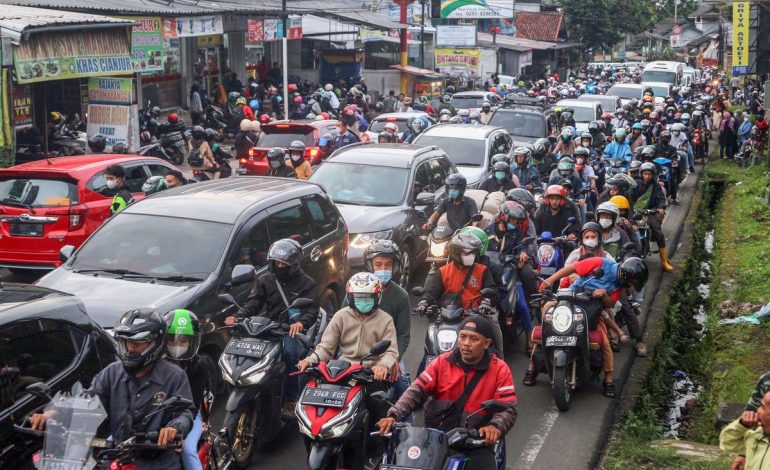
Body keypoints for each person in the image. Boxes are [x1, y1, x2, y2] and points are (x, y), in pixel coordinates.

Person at [30, 309, 195, 470]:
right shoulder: (112, 372)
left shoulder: (174, 376)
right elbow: (88, 400)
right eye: (126, 341)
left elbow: (185, 412)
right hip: (115, 455)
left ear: (155, 343)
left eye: (138, 343)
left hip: (157, 461)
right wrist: (55, 412)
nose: (131, 348)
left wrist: (174, 428)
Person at [378, 316, 517, 469]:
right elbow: (416, 390)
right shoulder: (441, 362)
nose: (466, 343)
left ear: (487, 344)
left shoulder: (499, 369)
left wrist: (494, 427)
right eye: (462, 337)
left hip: (475, 443)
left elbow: (507, 408)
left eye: (474, 339)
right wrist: (394, 415)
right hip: (434, 439)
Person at [528, 256, 648, 396]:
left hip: (593, 311)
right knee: (546, 327)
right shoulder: (601, 263)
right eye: (631, 282)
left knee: (605, 343)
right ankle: (532, 368)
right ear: (626, 275)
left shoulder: (619, 286)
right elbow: (572, 268)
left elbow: (609, 304)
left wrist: (603, 295)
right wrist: (550, 280)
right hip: (570, 301)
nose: (630, 286)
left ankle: (608, 378)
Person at [226, 239, 317, 418]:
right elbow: (253, 303)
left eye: (284, 263)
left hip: (288, 331)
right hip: (267, 327)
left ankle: (290, 400)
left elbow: (311, 310)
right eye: (277, 262)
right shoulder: (265, 280)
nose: (280, 266)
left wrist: (300, 324)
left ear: (294, 265)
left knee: (291, 354)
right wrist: (237, 317)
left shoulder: (307, 284)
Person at [296, 272, 399, 423]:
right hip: (341, 371)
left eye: (367, 297)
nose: (363, 301)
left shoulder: (386, 320)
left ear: (377, 297)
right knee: (313, 405)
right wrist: (310, 360)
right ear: (350, 297)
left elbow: (391, 350)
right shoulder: (340, 316)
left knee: (379, 414)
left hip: (370, 374)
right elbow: (326, 347)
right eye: (359, 297)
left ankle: (381, 443)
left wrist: (382, 366)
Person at [415, 233, 503, 354]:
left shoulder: (483, 270)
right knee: (430, 350)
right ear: (456, 253)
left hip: (476, 315)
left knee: (492, 338)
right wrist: (424, 303)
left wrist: (487, 302)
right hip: (447, 317)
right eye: (466, 253)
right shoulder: (443, 271)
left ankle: (499, 358)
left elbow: (492, 291)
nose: (470, 256)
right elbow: (431, 293)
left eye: (472, 252)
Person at [352, 241, 412, 408]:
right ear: (370, 265)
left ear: (395, 267)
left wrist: (394, 359)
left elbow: (403, 335)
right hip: (356, 348)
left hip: (387, 351)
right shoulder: (356, 289)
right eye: (378, 264)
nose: (383, 269)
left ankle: (404, 424)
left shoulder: (401, 296)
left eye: (388, 265)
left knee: (400, 383)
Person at [163, 310, 216, 470]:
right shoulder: (157, 364)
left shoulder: (199, 366)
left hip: (191, 414)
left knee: (187, 451)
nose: (177, 346)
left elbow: (192, 404)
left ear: (192, 342)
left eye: (183, 341)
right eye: (172, 341)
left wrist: (181, 431)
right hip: (160, 411)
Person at [629, 162, 673, 272]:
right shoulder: (635, 185)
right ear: (641, 174)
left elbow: (661, 199)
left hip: (650, 213)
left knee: (659, 234)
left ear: (653, 175)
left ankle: (664, 261)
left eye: (649, 174)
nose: (647, 176)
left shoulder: (656, 186)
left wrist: (661, 207)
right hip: (635, 212)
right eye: (645, 174)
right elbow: (630, 199)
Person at [720, 391, 770, 470]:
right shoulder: (758, 435)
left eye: (762, 407)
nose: (757, 410)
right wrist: (742, 425)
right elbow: (727, 443)